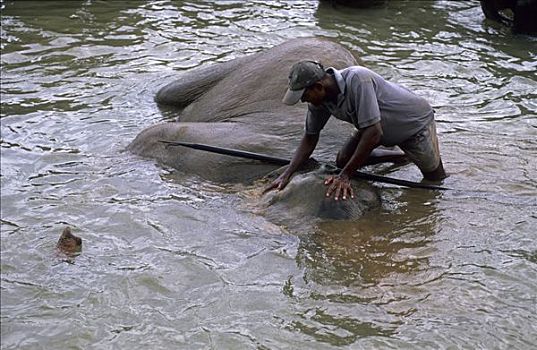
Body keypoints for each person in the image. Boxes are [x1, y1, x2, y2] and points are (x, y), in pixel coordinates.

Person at [264, 60, 446, 200]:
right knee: (343, 160)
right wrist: (287, 174)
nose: (304, 101)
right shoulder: (320, 101)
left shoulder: (359, 79)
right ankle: (402, 156)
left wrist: (345, 177)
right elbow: (310, 137)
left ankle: (411, 154)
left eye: (305, 96)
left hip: (413, 125)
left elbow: (374, 134)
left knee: (434, 180)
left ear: (318, 87)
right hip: (374, 126)